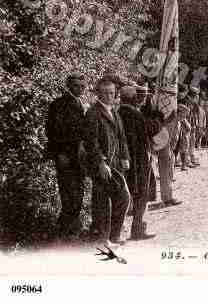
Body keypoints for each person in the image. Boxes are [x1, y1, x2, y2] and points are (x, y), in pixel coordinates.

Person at [84, 77, 131, 247]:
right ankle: (104, 239)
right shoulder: (92, 113)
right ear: (98, 94)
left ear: (115, 94)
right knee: (102, 202)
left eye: (111, 93)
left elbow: (122, 138)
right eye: (105, 93)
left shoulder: (115, 112)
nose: (108, 96)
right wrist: (100, 163)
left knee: (123, 197)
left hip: (116, 164)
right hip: (102, 166)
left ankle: (113, 235)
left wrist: (125, 157)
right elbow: (91, 141)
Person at [45, 72, 88, 239]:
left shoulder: (80, 104)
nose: (80, 89)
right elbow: (52, 131)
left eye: (82, 86)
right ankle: (64, 231)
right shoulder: (59, 104)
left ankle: (70, 229)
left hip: (78, 157)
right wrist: (60, 153)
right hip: (65, 157)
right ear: (68, 85)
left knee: (78, 192)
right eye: (76, 85)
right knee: (69, 194)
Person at [118, 86, 161, 240]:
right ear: (133, 98)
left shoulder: (117, 112)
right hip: (139, 159)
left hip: (124, 159)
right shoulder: (135, 114)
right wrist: (160, 118)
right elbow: (149, 130)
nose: (141, 99)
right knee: (142, 194)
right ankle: (137, 229)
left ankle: (119, 231)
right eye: (139, 96)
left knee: (124, 194)